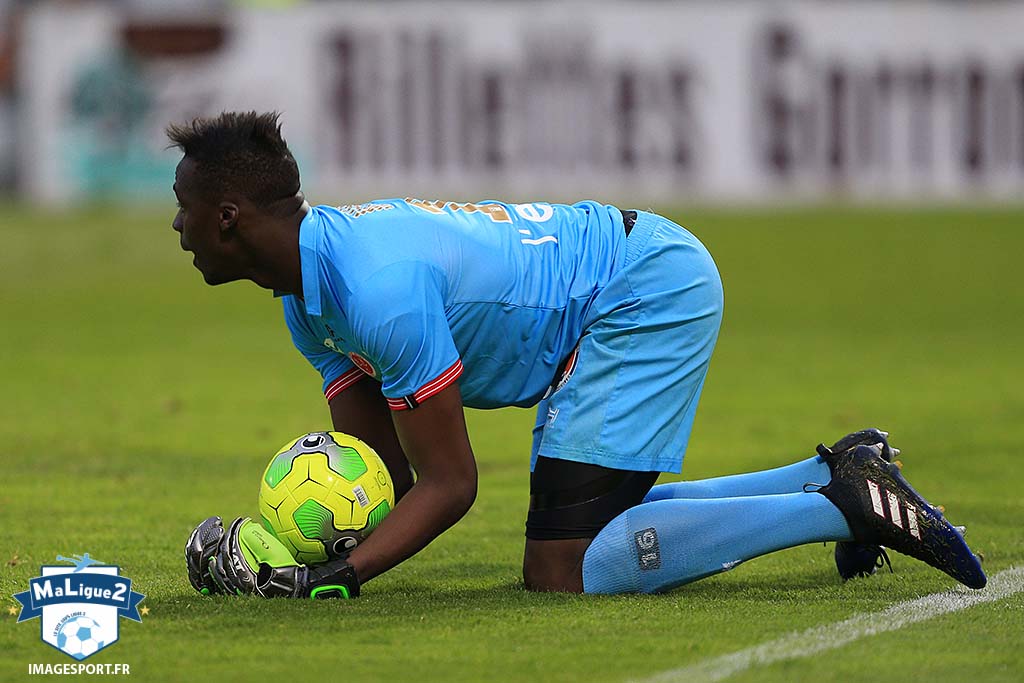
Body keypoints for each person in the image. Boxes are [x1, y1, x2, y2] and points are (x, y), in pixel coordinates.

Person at [173, 111, 985, 599]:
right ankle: (830, 472)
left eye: (185, 206)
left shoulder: (378, 288)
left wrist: (334, 582)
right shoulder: (306, 306)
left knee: (564, 566)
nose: (177, 227)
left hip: (641, 287)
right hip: (621, 280)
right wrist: (288, 549)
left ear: (230, 215)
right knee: (586, 537)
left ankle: (844, 505)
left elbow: (453, 486)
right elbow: (385, 477)